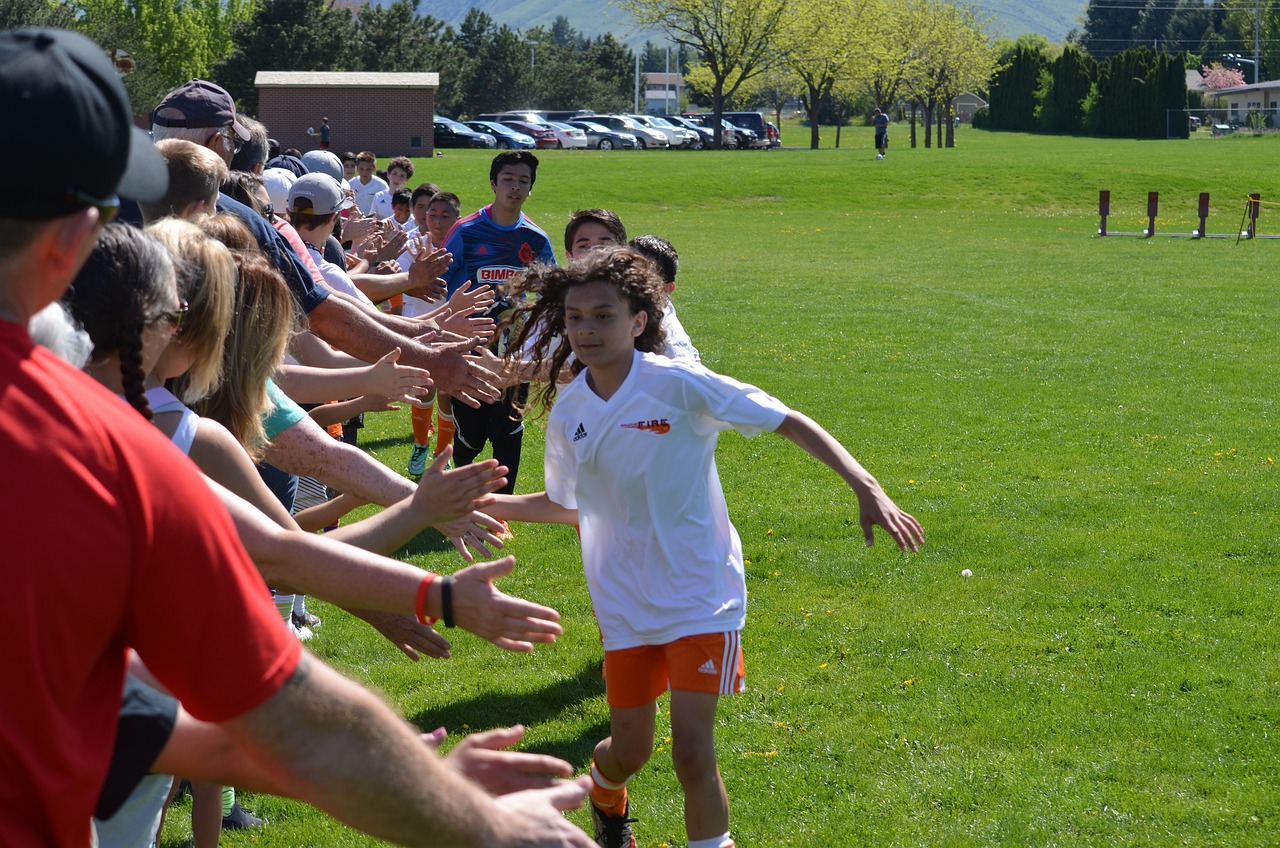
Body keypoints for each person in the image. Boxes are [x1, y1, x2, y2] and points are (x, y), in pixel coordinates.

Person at [0, 27, 595, 848]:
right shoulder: (101, 452)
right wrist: (488, 826)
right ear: (76, 241)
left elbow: (95, 709)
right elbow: (298, 696)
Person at [487, 247, 924, 848]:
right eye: (574, 317)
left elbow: (787, 418)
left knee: (693, 752)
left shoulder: (679, 385)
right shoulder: (571, 412)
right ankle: (605, 790)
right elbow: (568, 505)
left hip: (701, 592)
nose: (586, 330)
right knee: (630, 750)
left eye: (603, 316)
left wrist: (866, 487)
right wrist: (487, 503)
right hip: (623, 601)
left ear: (639, 322)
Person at [439, 151, 556, 495]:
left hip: (515, 354)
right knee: (471, 433)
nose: (515, 187)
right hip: (470, 351)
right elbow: (441, 282)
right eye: (507, 179)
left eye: (523, 181)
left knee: (507, 430)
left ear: (530, 188)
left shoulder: (536, 240)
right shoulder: (466, 231)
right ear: (493, 183)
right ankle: (462, 492)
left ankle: (502, 510)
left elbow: (551, 292)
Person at [351, 150, 387, 214]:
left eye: (368, 169)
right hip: (356, 219)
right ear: (357, 168)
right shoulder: (350, 184)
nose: (364, 173)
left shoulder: (382, 185)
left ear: (374, 168)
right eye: (361, 169)